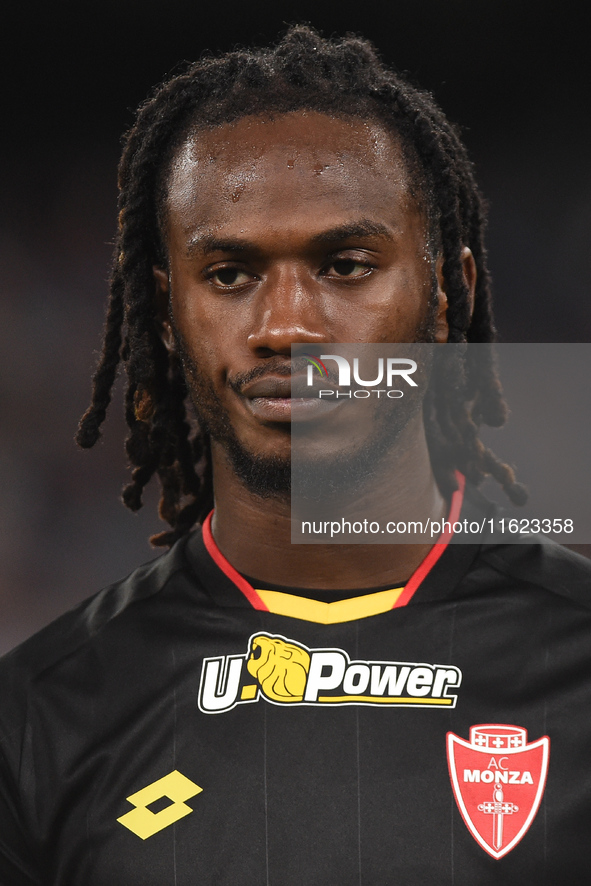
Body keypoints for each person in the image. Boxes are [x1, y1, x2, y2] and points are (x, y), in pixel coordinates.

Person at [1, 25, 590, 885]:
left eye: (346, 266)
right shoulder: (41, 713)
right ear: (166, 317)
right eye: (231, 274)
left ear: (446, 297)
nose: (286, 326)